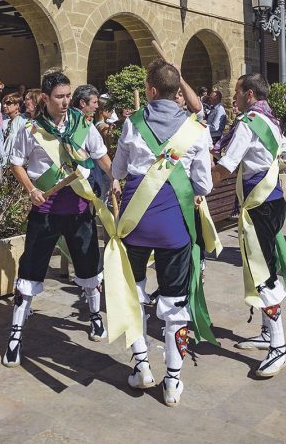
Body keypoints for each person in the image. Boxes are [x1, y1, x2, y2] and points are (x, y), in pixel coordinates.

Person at [109, 59, 212, 405]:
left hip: (135, 224)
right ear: (178, 92)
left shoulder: (131, 124)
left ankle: (141, 366)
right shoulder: (197, 130)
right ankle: (172, 381)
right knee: (174, 302)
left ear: (150, 91)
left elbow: (119, 170)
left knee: (133, 293)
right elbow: (204, 184)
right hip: (174, 227)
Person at [4, 71, 111, 367]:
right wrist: (31, 189)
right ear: (45, 99)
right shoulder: (30, 129)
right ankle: (15, 334)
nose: (65, 102)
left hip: (78, 207)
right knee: (30, 270)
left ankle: (94, 317)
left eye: (68, 96)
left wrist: (115, 177)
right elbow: (16, 163)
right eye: (59, 97)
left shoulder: (82, 125)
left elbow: (100, 155)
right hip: (46, 209)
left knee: (89, 265)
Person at [212, 73, 286, 378]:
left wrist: (202, 184)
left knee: (263, 273)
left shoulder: (249, 122)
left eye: (236, 93)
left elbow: (228, 164)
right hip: (272, 200)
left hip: (259, 204)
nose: (233, 99)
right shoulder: (270, 120)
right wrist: (268, 166)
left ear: (248, 94)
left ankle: (279, 347)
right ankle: (265, 332)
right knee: (262, 265)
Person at [1, 92, 27, 162]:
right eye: (3, 103)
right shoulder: (5, 122)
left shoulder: (22, 121)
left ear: (17, 106)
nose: (4, 106)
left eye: (8, 103)